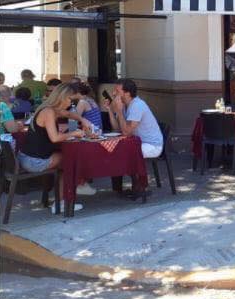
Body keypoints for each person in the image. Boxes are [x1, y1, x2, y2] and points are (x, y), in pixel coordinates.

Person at [17, 83, 89, 214]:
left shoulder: (47, 108)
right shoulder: (49, 112)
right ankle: (63, 200)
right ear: (62, 97)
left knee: (65, 160)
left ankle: (60, 195)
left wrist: (82, 119)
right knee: (69, 161)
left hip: (26, 157)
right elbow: (55, 138)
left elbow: (67, 114)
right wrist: (74, 133)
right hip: (33, 161)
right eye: (70, 100)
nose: (70, 103)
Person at [103, 79, 163, 159]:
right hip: (137, 142)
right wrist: (109, 109)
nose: (113, 94)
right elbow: (117, 129)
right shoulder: (124, 105)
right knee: (110, 149)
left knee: (119, 152)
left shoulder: (137, 105)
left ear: (127, 93)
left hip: (151, 146)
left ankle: (128, 172)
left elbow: (126, 133)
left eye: (117, 91)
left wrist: (120, 112)